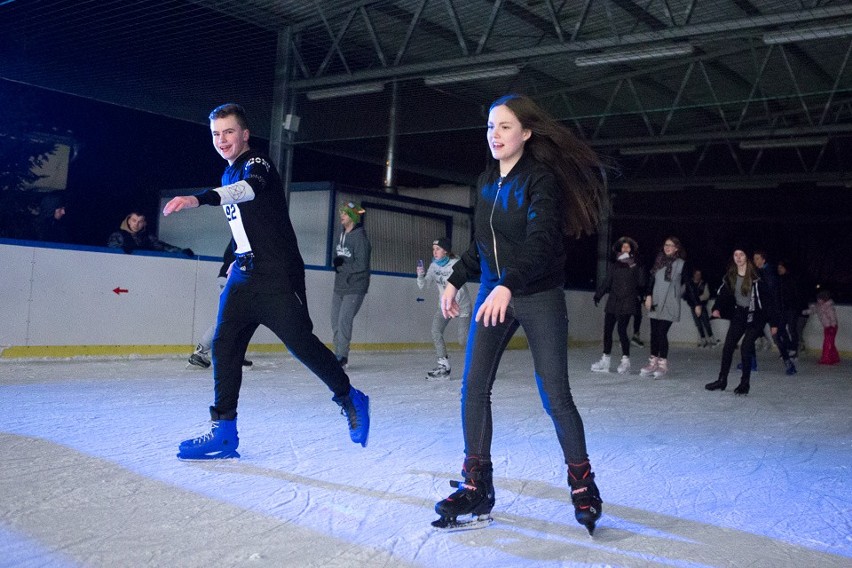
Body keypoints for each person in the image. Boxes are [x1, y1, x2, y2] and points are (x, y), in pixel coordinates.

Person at [433, 94, 605, 535]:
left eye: (505, 126)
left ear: (526, 133)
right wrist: (455, 278)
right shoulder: (486, 182)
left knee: (555, 394)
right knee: (473, 387)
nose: (495, 134)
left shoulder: (540, 180)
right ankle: (477, 484)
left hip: (537, 293)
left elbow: (542, 240)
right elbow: (480, 246)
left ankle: (582, 484)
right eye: (491, 126)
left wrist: (509, 283)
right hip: (495, 290)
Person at [162, 103, 369, 459]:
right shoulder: (228, 174)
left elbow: (250, 189)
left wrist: (199, 198)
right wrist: (232, 262)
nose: (222, 140)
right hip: (244, 274)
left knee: (301, 344)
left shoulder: (257, 164)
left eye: (229, 132)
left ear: (244, 134)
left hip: (276, 274)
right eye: (216, 134)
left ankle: (351, 397)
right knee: (224, 346)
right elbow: (244, 228)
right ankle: (224, 431)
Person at [705, 247, 780, 395]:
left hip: (756, 315)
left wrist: (774, 322)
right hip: (740, 313)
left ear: (747, 257)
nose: (738, 257)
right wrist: (716, 307)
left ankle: (744, 384)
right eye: (735, 254)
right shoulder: (731, 275)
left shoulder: (757, 276)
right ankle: (722, 380)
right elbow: (723, 293)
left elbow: (770, 300)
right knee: (728, 347)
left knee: (746, 348)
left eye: (741, 254)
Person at [188, 241, 252, 370]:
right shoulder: (251, 230)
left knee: (239, 319)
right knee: (227, 320)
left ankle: (235, 353)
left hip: (231, 277)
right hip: (235, 278)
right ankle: (200, 352)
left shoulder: (242, 228)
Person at [416, 237, 472, 379]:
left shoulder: (456, 263)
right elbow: (423, 285)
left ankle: (478, 365)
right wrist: (420, 275)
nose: (435, 252)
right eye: (433, 249)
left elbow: (459, 287)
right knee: (436, 330)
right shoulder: (434, 266)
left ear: (446, 251)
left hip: (462, 306)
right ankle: (443, 366)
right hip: (445, 305)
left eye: (438, 249)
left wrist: (452, 302)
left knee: (463, 340)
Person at [590, 237, 645, 374]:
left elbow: (642, 283)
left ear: (631, 249)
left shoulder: (635, 265)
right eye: (623, 247)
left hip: (627, 302)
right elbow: (607, 281)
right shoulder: (614, 265)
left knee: (621, 330)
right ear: (620, 249)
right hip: (613, 302)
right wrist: (599, 294)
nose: (625, 249)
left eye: (628, 247)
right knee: (607, 331)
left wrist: (640, 267)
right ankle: (605, 360)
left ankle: (625, 361)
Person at [640, 237, 692, 379]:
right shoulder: (658, 261)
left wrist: (696, 303)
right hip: (655, 301)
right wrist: (648, 295)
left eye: (671, 245)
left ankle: (662, 364)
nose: (667, 247)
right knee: (654, 333)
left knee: (661, 333)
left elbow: (689, 284)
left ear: (677, 248)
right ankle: (653, 362)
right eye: (666, 245)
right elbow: (651, 279)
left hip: (670, 303)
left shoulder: (681, 264)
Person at [331, 201, 371, 369]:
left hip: (355, 286)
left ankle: (342, 356)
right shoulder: (341, 235)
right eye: (342, 213)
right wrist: (337, 262)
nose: (342, 216)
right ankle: (336, 353)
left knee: (343, 321)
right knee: (335, 321)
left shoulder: (360, 239)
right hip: (340, 285)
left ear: (353, 217)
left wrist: (342, 267)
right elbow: (339, 256)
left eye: (345, 214)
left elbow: (362, 265)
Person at [753, 250, 797, 375]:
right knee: (750, 336)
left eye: (757, 258)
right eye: (754, 258)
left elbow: (772, 296)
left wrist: (774, 320)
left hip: (771, 311)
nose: (755, 261)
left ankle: (788, 361)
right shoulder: (759, 272)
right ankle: (751, 362)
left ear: (763, 259)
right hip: (761, 310)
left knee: (778, 336)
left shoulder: (769, 274)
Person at [107, 210, 193, 256]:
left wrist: (182, 251)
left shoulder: (148, 237)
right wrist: (123, 248)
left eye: (140, 221)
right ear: (128, 221)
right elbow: (111, 252)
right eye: (134, 220)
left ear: (144, 223)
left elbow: (163, 247)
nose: (136, 224)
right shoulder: (118, 236)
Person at [803, 289, 840, 365]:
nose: (818, 300)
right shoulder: (819, 305)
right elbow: (813, 310)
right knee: (830, 343)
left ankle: (826, 359)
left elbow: (833, 318)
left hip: (831, 327)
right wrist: (804, 312)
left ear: (824, 299)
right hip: (827, 327)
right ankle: (834, 357)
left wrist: (832, 327)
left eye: (820, 299)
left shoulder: (829, 307)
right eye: (818, 299)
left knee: (827, 343)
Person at [685, 268, 718, 347]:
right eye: (696, 274)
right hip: (693, 307)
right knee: (698, 324)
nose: (698, 276)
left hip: (702, 306)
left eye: (699, 274)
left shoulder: (703, 283)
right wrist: (692, 300)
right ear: (693, 275)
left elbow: (706, 295)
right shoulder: (689, 283)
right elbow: (686, 294)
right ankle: (703, 339)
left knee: (706, 323)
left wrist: (695, 299)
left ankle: (711, 339)